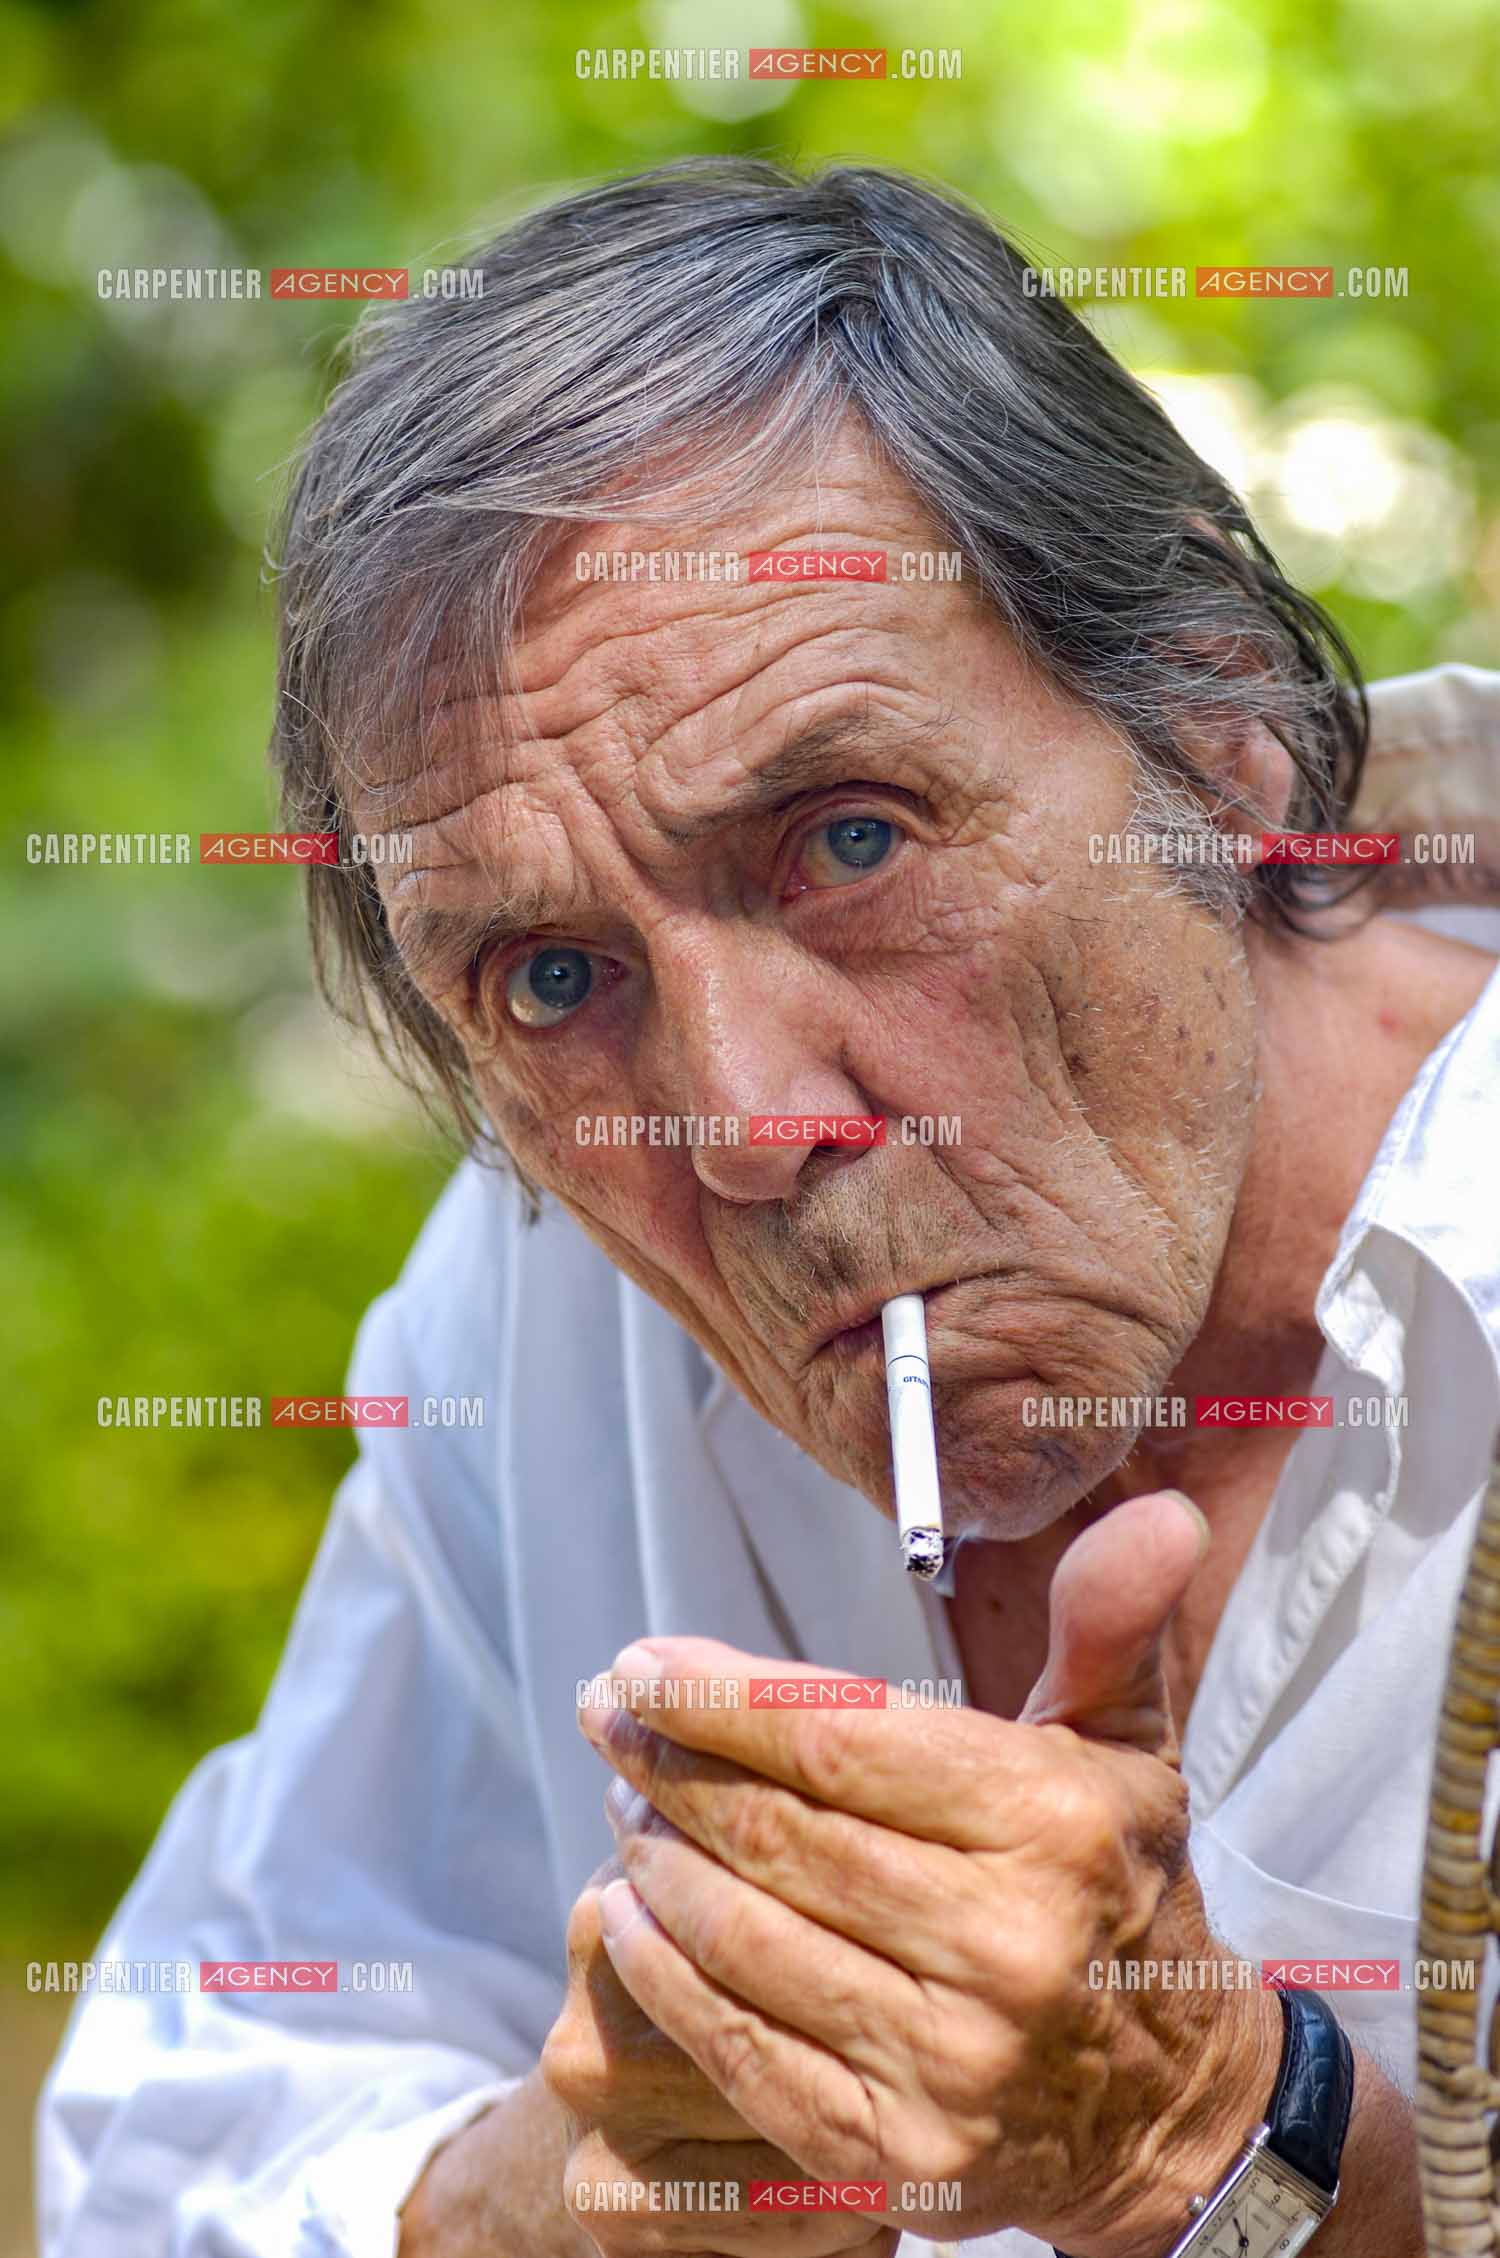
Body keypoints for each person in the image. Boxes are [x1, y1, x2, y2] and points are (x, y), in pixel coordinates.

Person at [38, 159, 1500, 2258]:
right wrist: (547, 2201)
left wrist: (1227, 2136)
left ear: (1217, 724)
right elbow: (176, 2130)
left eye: (847, 839)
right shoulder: (548, 1292)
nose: (733, 1120)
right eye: (554, 980)